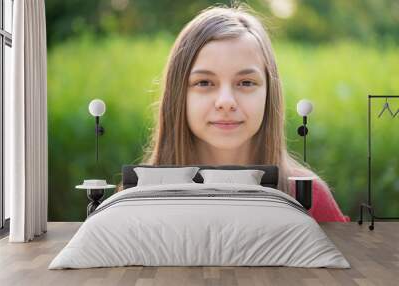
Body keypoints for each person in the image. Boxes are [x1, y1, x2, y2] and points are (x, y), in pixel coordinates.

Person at [120, 3, 350, 222]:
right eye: (204, 82)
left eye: (246, 83)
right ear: (178, 96)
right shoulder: (135, 196)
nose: (226, 102)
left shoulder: (309, 196)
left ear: (269, 94)